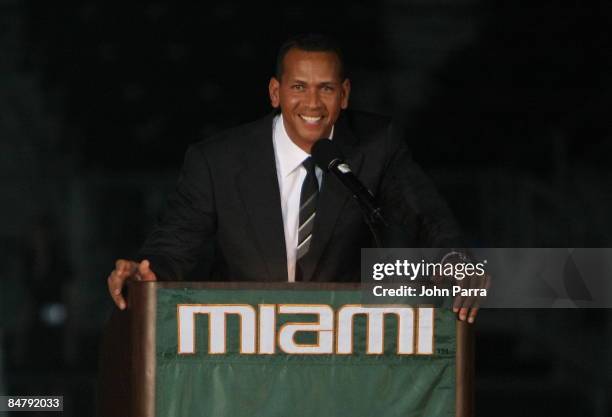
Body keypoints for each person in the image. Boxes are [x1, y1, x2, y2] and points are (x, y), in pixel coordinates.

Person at [107, 34, 481, 323]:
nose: (313, 104)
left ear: (345, 94)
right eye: (299, 87)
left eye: (327, 89)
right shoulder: (217, 161)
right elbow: (175, 245)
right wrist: (147, 273)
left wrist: (454, 260)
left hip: (343, 346)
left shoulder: (375, 146)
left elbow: (426, 214)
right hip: (241, 348)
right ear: (276, 92)